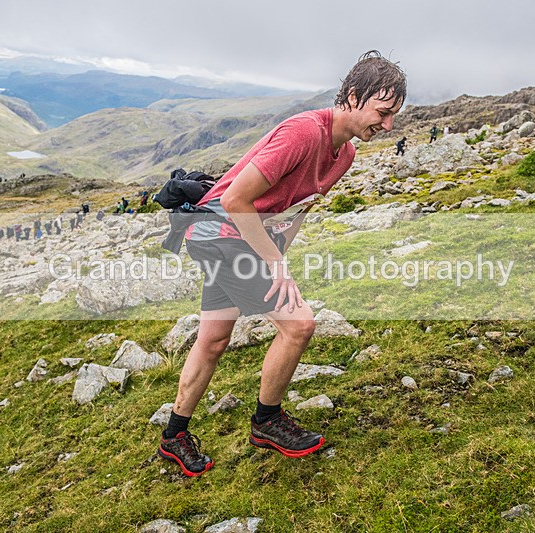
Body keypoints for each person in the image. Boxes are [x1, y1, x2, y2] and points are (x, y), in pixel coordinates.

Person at [157, 50, 406, 477]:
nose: (387, 126)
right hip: (218, 231)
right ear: (351, 97)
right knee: (299, 324)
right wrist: (275, 265)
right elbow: (236, 200)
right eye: (382, 113)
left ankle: (173, 437)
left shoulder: (343, 154)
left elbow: (299, 207)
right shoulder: (303, 134)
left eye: (393, 117)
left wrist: (278, 254)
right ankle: (266, 422)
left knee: (214, 338)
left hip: (241, 236)